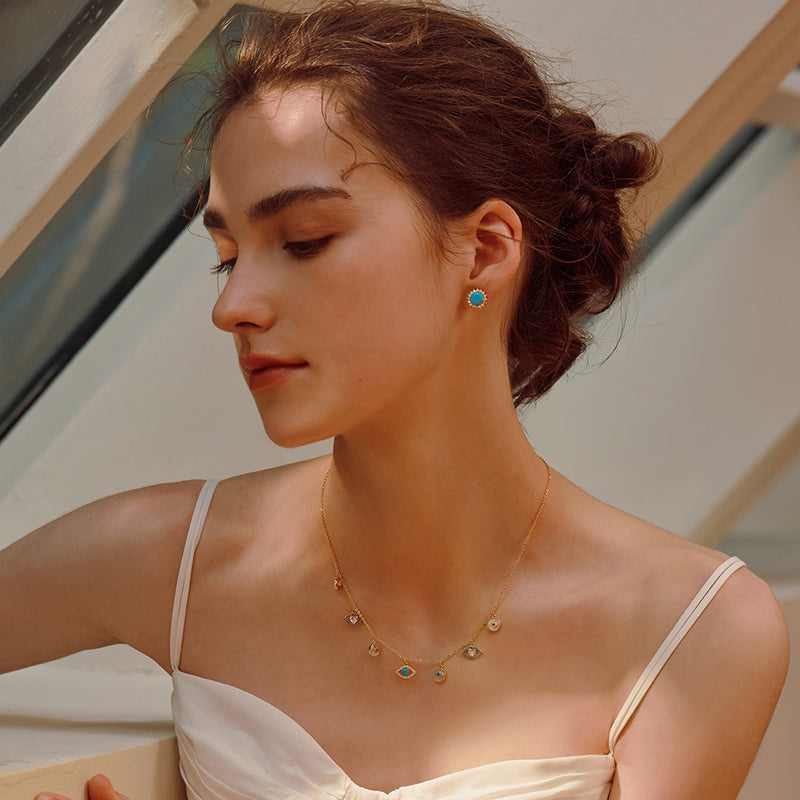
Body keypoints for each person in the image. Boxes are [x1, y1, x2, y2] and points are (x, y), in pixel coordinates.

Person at [2, 2, 788, 799]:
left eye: (304, 240)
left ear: (484, 251)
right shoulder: (164, 560)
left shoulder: (692, 630)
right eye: (226, 256)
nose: (232, 304)